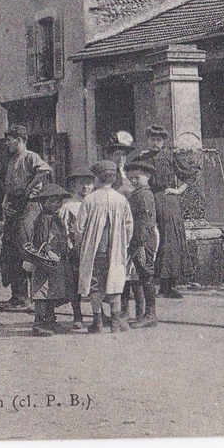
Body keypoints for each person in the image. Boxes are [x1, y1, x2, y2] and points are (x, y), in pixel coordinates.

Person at [131, 125, 197, 299]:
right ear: (147, 140)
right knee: (149, 238)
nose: (155, 142)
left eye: (159, 140)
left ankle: (169, 286)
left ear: (163, 141)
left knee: (170, 240)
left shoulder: (169, 155)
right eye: (152, 139)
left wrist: (178, 190)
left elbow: (189, 174)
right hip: (148, 199)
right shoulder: (141, 158)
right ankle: (147, 284)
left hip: (168, 202)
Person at [75, 159, 133, 334]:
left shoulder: (89, 200)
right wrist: (125, 244)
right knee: (114, 284)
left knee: (95, 285)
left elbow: (79, 228)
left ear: (97, 179)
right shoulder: (121, 200)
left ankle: (97, 321)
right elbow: (129, 226)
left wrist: (80, 246)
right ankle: (115, 322)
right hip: (114, 250)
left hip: (95, 251)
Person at [0, 124, 51, 308]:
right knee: (11, 249)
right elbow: (8, 186)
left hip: (29, 205)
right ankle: (18, 296)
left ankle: (34, 298)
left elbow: (45, 170)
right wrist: (5, 202)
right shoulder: (11, 160)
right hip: (14, 205)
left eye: (9, 140)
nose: (7, 143)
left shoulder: (31, 157)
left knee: (27, 248)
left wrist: (30, 187)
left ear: (19, 140)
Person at [23, 184, 72, 336]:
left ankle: (50, 320)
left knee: (52, 291)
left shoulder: (55, 217)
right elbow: (42, 240)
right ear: (43, 202)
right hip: (46, 260)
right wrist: (48, 252)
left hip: (56, 260)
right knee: (42, 292)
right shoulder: (45, 218)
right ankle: (38, 323)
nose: (57, 204)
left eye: (59, 201)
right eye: (52, 201)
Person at [57, 169, 94, 331]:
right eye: (81, 183)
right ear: (74, 185)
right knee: (75, 283)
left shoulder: (95, 202)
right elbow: (63, 229)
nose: (85, 187)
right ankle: (77, 314)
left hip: (92, 249)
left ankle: (98, 313)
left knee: (95, 282)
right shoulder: (69, 205)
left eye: (89, 183)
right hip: (75, 251)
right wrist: (68, 246)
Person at [125, 158, 159, 328]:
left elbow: (145, 221)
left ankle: (150, 314)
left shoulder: (144, 194)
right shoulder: (138, 193)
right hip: (139, 240)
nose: (133, 181)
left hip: (143, 241)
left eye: (137, 177)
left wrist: (139, 244)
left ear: (147, 176)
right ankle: (145, 313)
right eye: (131, 178)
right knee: (141, 275)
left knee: (146, 275)